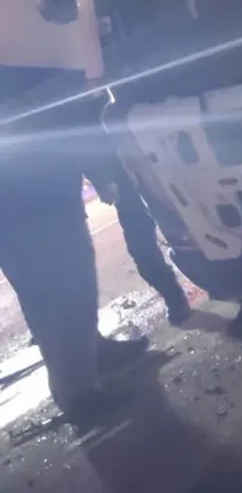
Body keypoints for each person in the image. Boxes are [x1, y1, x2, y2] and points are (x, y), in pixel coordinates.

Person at [0, 122, 149, 425]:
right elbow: (56, 109)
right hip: (25, 193)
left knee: (64, 284)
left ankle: (91, 354)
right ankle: (79, 394)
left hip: (35, 187)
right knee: (58, 291)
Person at [83, 156, 191, 325]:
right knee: (142, 248)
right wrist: (103, 178)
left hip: (155, 158)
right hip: (122, 175)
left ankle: (228, 284)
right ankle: (174, 297)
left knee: (194, 222)